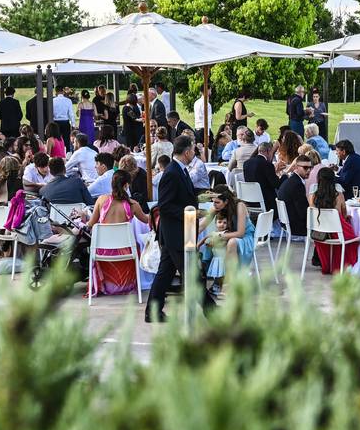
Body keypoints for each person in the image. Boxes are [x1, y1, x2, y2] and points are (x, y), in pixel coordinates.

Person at [146, 135, 216, 321]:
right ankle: (212, 311)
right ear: (186, 152)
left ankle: (152, 312)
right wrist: (191, 213)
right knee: (191, 272)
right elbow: (166, 206)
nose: (194, 152)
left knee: (165, 273)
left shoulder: (180, 170)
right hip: (176, 232)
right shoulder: (171, 173)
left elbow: (183, 197)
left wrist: (200, 201)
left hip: (181, 230)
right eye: (193, 149)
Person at [85, 169, 150, 296]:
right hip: (125, 251)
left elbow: (91, 224)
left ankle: (106, 285)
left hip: (102, 250)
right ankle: (127, 284)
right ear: (127, 185)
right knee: (138, 245)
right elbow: (147, 220)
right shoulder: (133, 204)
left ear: (112, 183)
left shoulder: (101, 200)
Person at [200, 186, 257, 296]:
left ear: (226, 201)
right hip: (229, 235)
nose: (214, 204)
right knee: (213, 244)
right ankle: (217, 280)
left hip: (245, 237)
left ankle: (229, 285)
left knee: (231, 242)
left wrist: (219, 236)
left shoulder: (239, 206)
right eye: (213, 202)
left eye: (217, 202)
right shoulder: (216, 207)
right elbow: (201, 226)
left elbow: (240, 233)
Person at [308, 167, 357, 274]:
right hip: (337, 233)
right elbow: (344, 214)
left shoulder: (313, 196)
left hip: (320, 233)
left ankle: (326, 263)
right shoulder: (338, 195)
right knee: (356, 234)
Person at [243, 142, 280, 218]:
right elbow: (276, 184)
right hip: (265, 200)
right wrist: (283, 176)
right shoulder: (267, 164)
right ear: (268, 151)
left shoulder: (246, 163)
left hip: (249, 199)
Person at [278, 154, 311, 237]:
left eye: (310, 167)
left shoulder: (292, 180)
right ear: (296, 167)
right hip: (296, 229)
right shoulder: (297, 185)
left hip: (287, 225)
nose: (309, 170)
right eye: (305, 168)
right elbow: (303, 212)